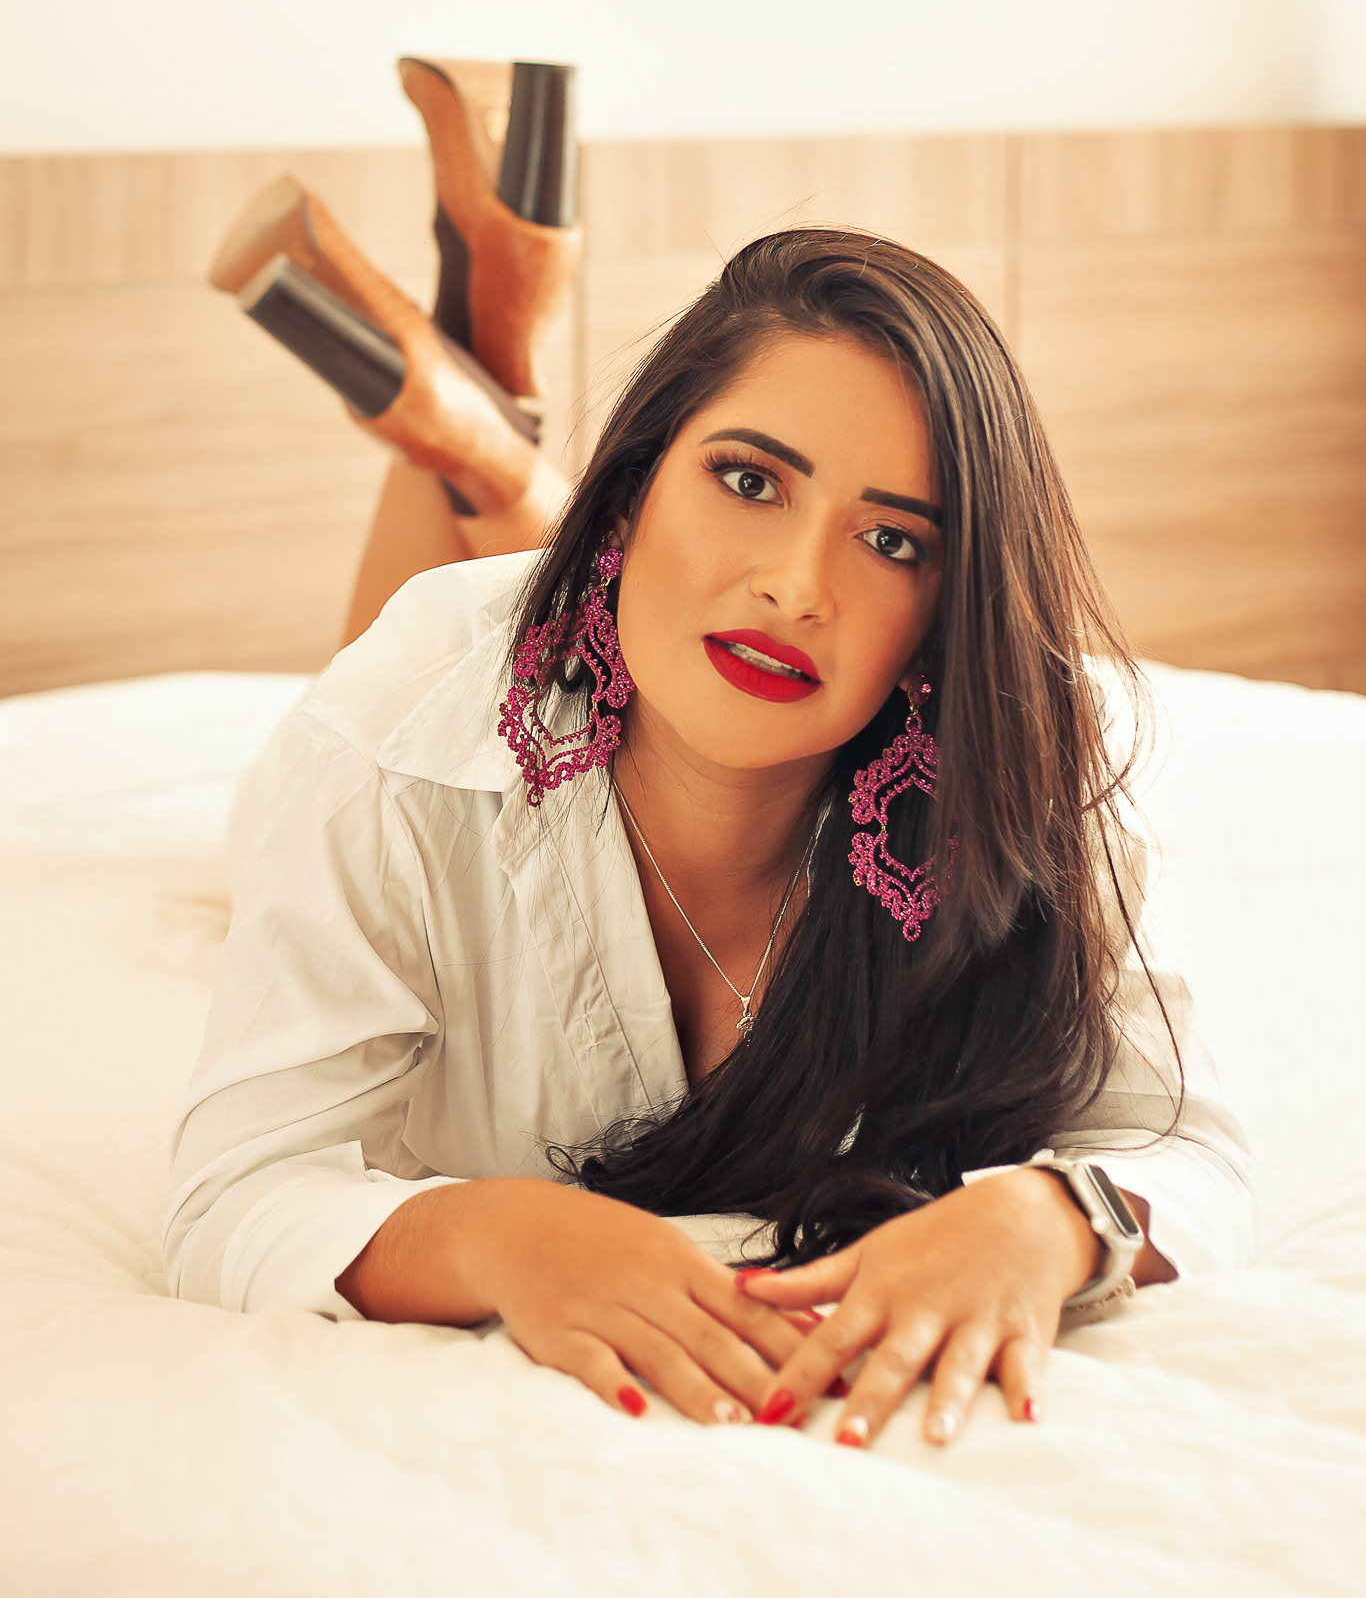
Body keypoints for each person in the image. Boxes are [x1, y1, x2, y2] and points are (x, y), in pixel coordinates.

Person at [168, 143, 1253, 1452]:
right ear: (634, 481)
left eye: (891, 540)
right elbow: (235, 1198)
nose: (796, 585)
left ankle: (478, 391)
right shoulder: (395, 740)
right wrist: (501, 1235)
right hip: (421, 700)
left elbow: (1185, 1154)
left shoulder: (1019, 774)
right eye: (748, 480)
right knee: (409, 678)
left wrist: (1051, 1220)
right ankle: (484, 419)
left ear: (941, 611)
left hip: (592, 621)